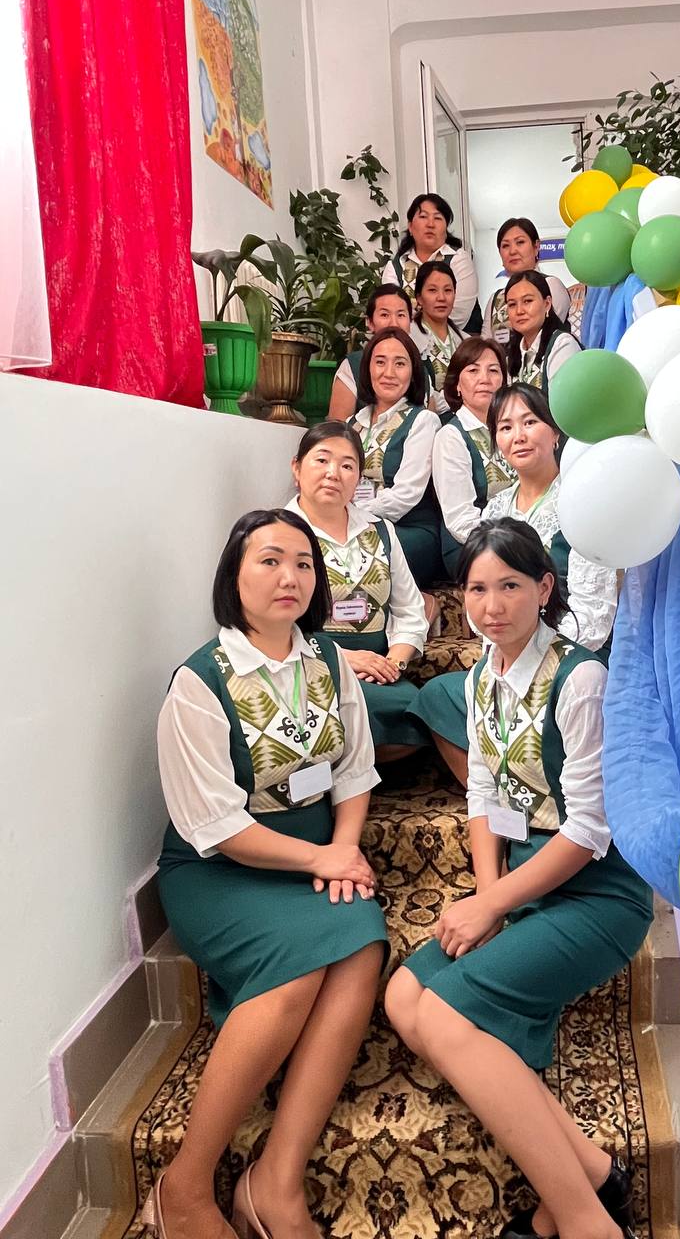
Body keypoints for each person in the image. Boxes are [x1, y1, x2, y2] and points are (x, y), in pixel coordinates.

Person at [385, 519, 652, 1239]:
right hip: (525, 881)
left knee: (446, 1016)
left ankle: (584, 1222)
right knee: (404, 999)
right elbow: (482, 794)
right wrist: (488, 897)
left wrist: (496, 901)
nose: (492, 604)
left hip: (596, 892)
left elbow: (589, 830)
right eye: (477, 588)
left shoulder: (580, 678)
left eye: (509, 585)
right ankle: (593, 1172)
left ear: (544, 587)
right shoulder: (482, 676)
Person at [146, 509, 386, 1239]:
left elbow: (354, 770)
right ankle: (184, 1187)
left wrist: (343, 846)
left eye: (304, 564)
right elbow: (217, 826)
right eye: (270, 560)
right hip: (221, 869)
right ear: (234, 575)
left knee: (363, 944)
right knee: (297, 972)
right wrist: (322, 859)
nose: (291, 577)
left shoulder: (330, 660)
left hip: (315, 853)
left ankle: (276, 1180)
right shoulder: (199, 683)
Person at [408, 383, 617, 783]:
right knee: (438, 695)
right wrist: (506, 656)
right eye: (505, 427)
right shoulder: (496, 508)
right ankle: (499, 795)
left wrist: (531, 655)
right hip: (509, 655)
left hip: (571, 655)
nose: (518, 435)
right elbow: (482, 599)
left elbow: (593, 617)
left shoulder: (582, 501)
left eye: (530, 422)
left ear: (555, 434)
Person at [286, 422, 429, 762]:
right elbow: (270, 625)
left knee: (418, 710)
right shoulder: (279, 532)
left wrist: (393, 663)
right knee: (339, 708)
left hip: (377, 670)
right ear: (297, 468)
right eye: (322, 460)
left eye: (347, 465)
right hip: (308, 665)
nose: (333, 473)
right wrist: (346, 660)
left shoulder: (381, 531)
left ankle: (346, 772)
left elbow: (410, 610)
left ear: (358, 479)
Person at [349, 326, 444, 589]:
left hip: (409, 530)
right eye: (380, 362)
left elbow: (405, 495)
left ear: (413, 373)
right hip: (353, 523)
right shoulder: (351, 425)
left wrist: (350, 515)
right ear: (368, 369)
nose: (389, 372)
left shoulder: (423, 421)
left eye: (400, 363)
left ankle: (426, 604)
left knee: (355, 554)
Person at [432, 336, 517, 578]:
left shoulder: (514, 428)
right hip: (472, 544)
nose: (484, 379)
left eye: (493, 371)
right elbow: (460, 520)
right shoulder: (451, 436)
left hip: (523, 533)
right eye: (473, 370)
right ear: (457, 385)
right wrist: (512, 545)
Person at [328, 284, 436, 423]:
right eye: (385, 315)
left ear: (410, 321)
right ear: (369, 322)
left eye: (401, 315)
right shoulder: (353, 365)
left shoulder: (421, 368)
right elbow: (337, 428)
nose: (394, 323)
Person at [382, 193, 481, 332]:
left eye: (438, 218)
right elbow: (391, 312)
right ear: (410, 226)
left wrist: (422, 336)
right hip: (406, 342)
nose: (430, 224)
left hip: (457, 341)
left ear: (446, 228)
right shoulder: (395, 266)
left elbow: (459, 315)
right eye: (423, 217)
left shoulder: (459, 259)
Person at [482, 218, 571, 346]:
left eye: (520, 242)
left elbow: (549, 334)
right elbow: (485, 345)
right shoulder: (496, 299)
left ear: (536, 247)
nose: (513, 251)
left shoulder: (551, 285)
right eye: (505, 245)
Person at [505, 270, 581, 392]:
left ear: (547, 304)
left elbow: (562, 400)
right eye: (512, 304)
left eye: (527, 301)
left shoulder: (562, 345)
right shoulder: (512, 352)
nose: (519, 311)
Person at [408, 260, 464, 415]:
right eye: (432, 290)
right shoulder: (409, 339)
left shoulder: (464, 340)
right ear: (419, 298)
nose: (441, 298)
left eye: (448, 290)